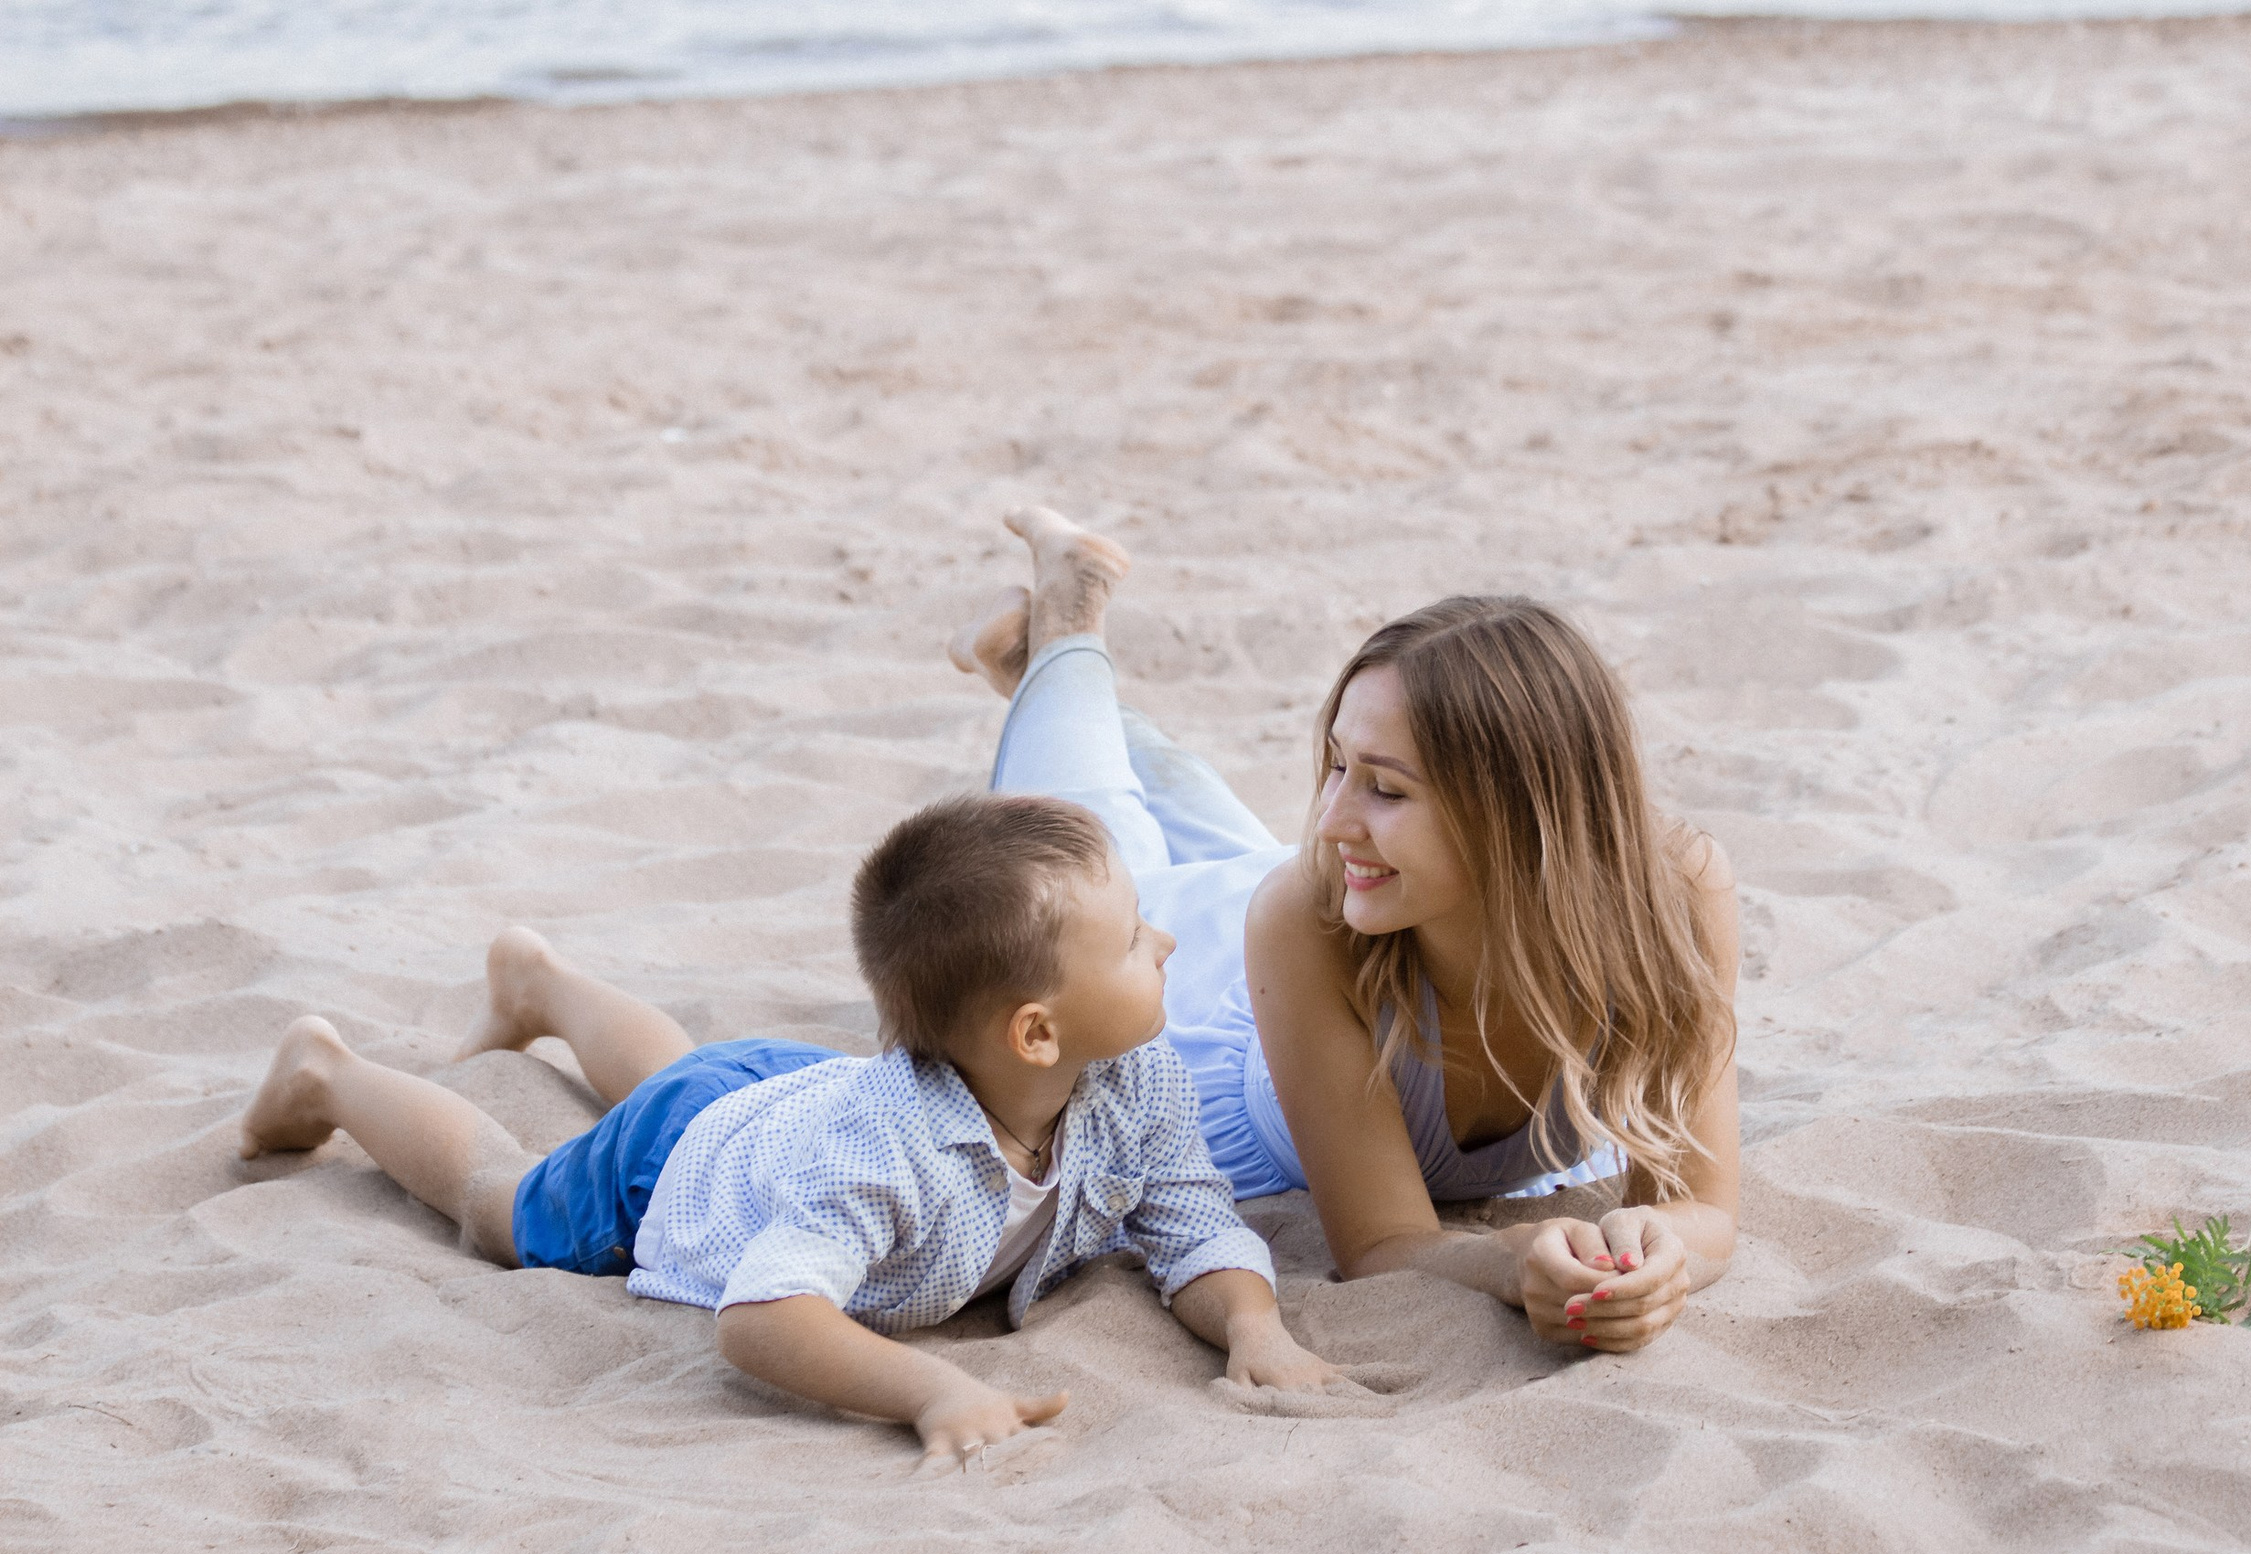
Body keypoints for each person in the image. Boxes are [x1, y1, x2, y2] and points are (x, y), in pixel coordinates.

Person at [237, 794, 1339, 1466]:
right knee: (506, 1210)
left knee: (691, 1081)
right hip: (703, 1160)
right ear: (1036, 1033)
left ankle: (544, 986)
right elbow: (763, 1320)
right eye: (1134, 936)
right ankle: (330, 1072)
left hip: (787, 1097)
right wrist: (935, 1389)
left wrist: (1252, 1327)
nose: (1165, 945)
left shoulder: (1131, 1076)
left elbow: (1192, 1218)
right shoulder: (884, 1158)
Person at [947, 508, 1741, 1356]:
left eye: (1386, 789)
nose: (1330, 818)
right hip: (1215, 986)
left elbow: (1703, 1206)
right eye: (1336, 765)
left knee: (1228, 837)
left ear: (1519, 817)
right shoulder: (1310, 912)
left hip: (1359, 906)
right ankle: (1069, 622)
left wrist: (1660, 1257)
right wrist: (1510, 1261)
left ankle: (1040, 670)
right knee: (1092, 847)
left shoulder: (1675, 900)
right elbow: (1380, 1244)